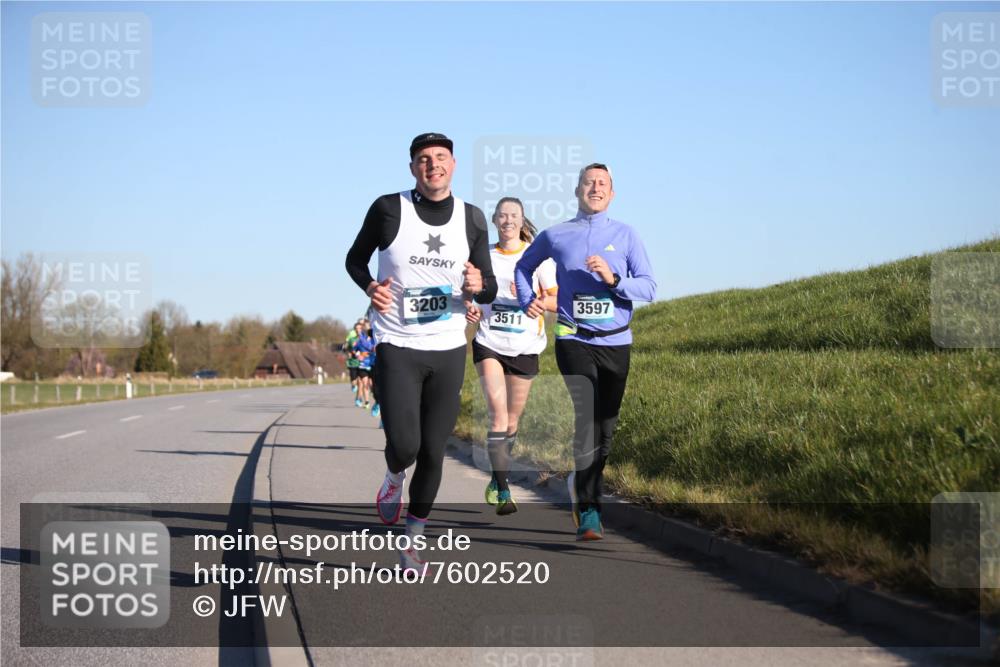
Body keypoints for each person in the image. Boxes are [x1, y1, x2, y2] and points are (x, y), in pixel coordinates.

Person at [345, 132, 497, 570]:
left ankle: (413, 536)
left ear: (453, 165)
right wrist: (371, 287)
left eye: (441, 158)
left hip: (448, 347)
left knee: (434, 449)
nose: (433, 165)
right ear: (413, 168)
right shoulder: (389, 208)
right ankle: (394, 477)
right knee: (406, 446)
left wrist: (477, 285)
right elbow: (355, 259)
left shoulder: (471, 218)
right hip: (396, 343)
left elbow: (485, 282)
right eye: (424, 159)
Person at [514, 163, 656, 541]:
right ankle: (590, 508)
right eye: (589, 183)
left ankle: (583, 479)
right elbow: (523, 266)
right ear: (577, 190)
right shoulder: (556, 235)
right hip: (573, 338)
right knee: (588, 416)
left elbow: (649, 288)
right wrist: (529, 299)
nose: (595, 188)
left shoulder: (626, 235)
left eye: (603, 184)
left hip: (616, 341)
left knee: (606, 427)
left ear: (612, 194)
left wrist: (614, 280)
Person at [465, 197, 557, 516]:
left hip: (526, 347)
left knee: (513, 420)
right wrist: (471, 308)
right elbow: (469, 293)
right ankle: (504, 491)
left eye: (514, 215)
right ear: (494, 220)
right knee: (498, 416)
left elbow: (557, 298)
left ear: (521, 220)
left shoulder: (537, 258)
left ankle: (496, 475)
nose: (508, 220)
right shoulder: (484, 257)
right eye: (502, 215)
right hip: (489, 342)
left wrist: (538, 302)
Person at [353, 324, 375, 409]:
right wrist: (359, 354)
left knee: (371, 384)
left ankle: (375, 399)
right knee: (364, 383)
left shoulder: (374, 340)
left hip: (373, 364)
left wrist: (368, 353)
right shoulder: (360, 341)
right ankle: (367, 402)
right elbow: (354, 351)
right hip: (363, 365)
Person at [345, 321, 363, 395]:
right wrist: (349, 352)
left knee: (361, 380)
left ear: (362, 329)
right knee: (354, 379)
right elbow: (346, 348)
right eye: (356, 328)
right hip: (353, 362)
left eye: (359, 328)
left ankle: (360, 398)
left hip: (362, 362)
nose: (358, 330)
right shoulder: (352, 339)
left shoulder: (365, 339)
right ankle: (353, 385)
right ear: (355, 330)